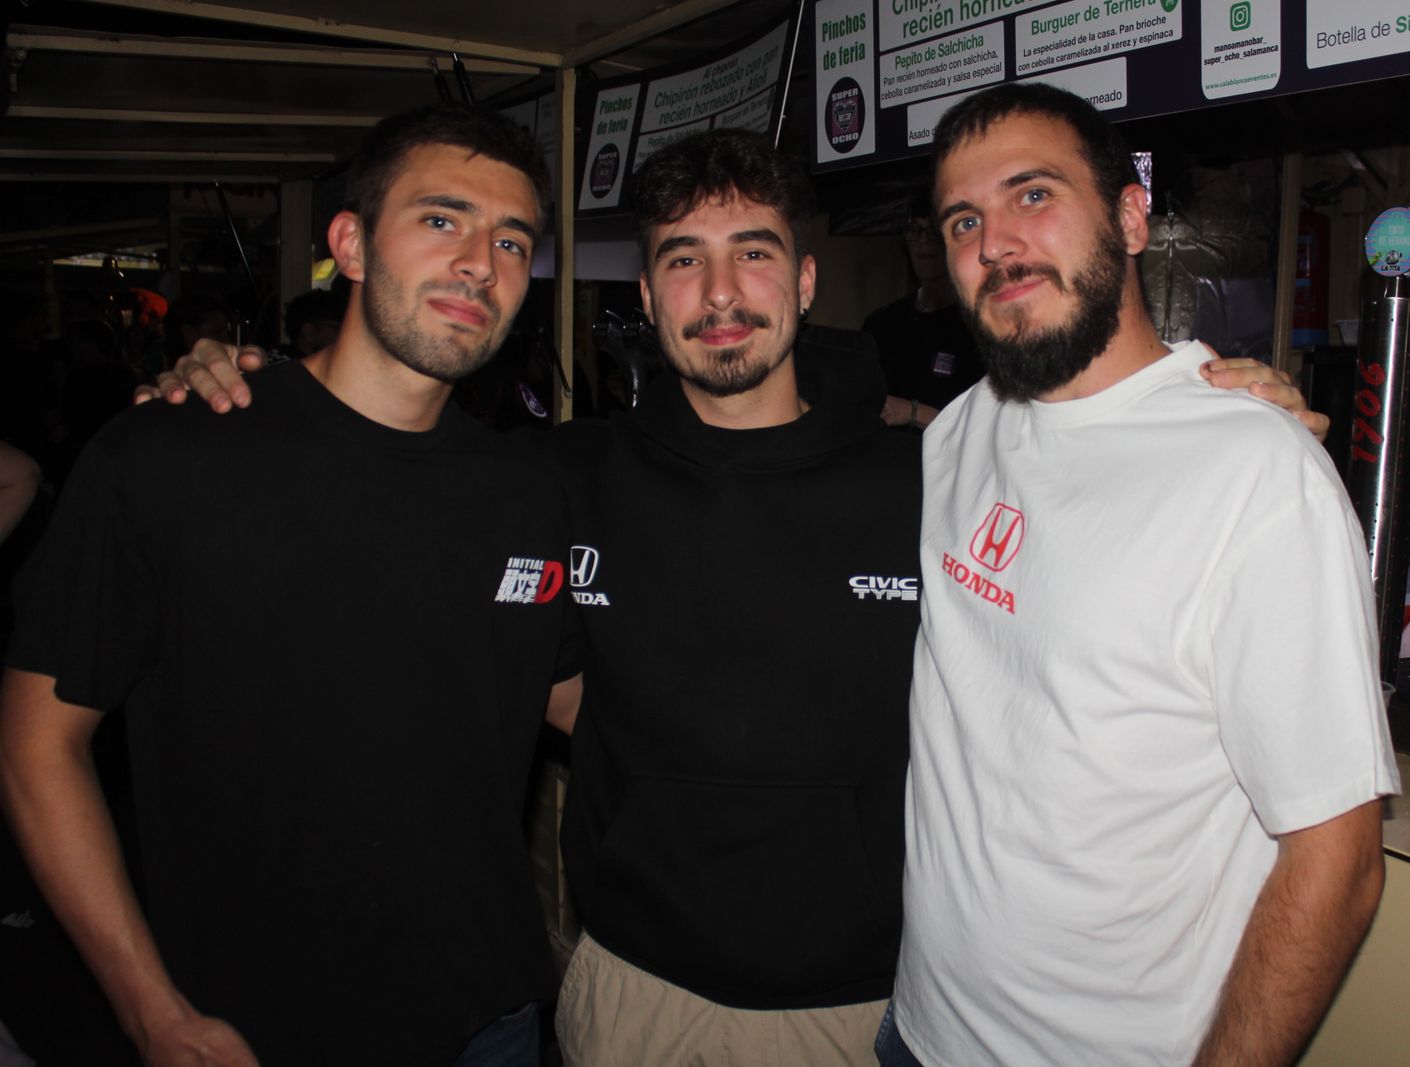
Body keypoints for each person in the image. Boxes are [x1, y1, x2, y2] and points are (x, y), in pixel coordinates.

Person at [141, 129, 1329, 1065]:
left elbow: (1087, 448)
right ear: (646, 301)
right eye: (680, 261)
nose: (721, 292)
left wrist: (1216, 404)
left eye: (753, 252)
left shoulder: (936, 472)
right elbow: (405, 496)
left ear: (804, 280)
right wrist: (244, 375)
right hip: (625, 990)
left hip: (865, 1007)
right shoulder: (557, 477)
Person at [0, 104, 577, 1067]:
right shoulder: (171, 453)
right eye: (442, 220)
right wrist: (153, 1014)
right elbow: (35, 749)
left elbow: (559, 692)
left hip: (494, 1020)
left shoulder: (525, 490)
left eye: (511, 239)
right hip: (254, 1029)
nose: (482, 261)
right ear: (348, 243)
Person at [878, 84, 1398, 1067]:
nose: (993, 242)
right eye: (962, 219)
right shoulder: (957, 434)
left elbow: (1338, 860)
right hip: (917, 1030)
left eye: (1032, 195)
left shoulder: (1254, 468)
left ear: (1128, 214)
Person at [862, 194, 984, 430]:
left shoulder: (981, 326)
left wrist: (914, 412)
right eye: (914, 231)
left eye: (933, 232)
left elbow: (986, 430)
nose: (923, 241)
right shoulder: (881, 323)